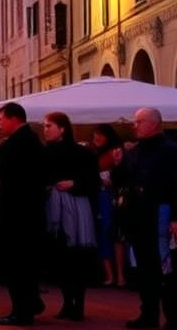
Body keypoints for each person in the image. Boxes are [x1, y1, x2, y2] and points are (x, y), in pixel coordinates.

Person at [111, 107, 177, 329]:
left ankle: (172, 316)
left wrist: (175, 218)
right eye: (135, 121)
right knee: (145, 268)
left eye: (140, 121)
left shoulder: (170, 150)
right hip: (138, 216)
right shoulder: (135, 151)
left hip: (160, 213)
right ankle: (148, 313)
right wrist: (119, 163)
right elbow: (120, 181)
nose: (135, 125)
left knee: (164, 267)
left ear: (155, 124)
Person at [0, 102, 46, 326]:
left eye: (1, 120)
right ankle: (30, 303)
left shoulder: (21, 142)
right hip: (26, 212)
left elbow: (6, 171)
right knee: (23, 264)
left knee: (17, 265)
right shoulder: (29, 140)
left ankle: (22, 311)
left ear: (13, 118)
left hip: (19, 214)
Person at [41, 111, 99, 321]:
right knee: (60, 257)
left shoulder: (81, 153)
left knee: (76, 256)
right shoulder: (45, 153)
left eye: (49, 126)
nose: (45, 130)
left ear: (62, 128)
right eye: (45, 126)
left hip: (75, 206)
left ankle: (78, 304)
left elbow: (93, 181)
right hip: (53, 207)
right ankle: (67, 302)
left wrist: (74, 184)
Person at [90, 123, 127, 287]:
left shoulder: (117, 152)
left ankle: (120, 276)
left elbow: (123, 176)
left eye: (100, 135)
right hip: (99, 197)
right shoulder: (93, 154)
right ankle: (110, 275)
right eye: (94, 135)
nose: (96, 138)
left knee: (116, 235)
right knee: (103, 234)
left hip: (114, 197)